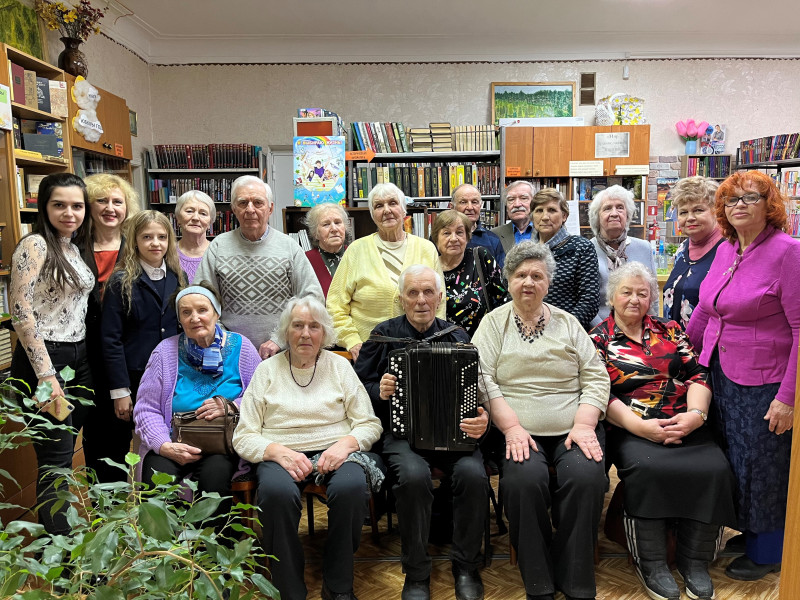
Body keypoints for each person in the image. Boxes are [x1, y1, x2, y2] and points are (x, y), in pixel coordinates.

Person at [471, 242, 609, 600]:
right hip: (517, 429)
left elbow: (596, 376)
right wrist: (512, 428)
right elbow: (482, 380)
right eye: (520, 275)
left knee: (586, 477)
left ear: (549, 282)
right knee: (523, 482)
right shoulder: (492, 324)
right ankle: (539, 579)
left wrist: (584, 424)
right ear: (509, 281)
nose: (528, 282)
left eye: (537, 275)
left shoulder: (568, 323)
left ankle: (575, 576)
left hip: (574, 427)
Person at [590, 262, 736, 600]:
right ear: (612, 297)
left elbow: (697, 374)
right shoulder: (597, 339)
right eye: (626, 292)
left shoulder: (669, 329)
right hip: (630, 425)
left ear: (651, 298)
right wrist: (641, 427)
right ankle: (652, 563)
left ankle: (694, 561)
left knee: (715, 469)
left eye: (643, 293)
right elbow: (600, 393)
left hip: (683, 419)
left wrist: (696, 416)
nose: (634, 299)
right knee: (649, 470)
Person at [687, 170, 800, 581]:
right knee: (736, 459)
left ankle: (769, 549)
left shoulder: (789, 252)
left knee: (763, 465)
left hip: (767, 380)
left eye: (750, 198)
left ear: (769, 206)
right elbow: (706, 309)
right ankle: (750, 532)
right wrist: (681, 354)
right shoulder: (727, 249)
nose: (739, 205)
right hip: (722, 372)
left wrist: (788, 398)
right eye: (731, 199)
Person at [233, 297, 383, 600]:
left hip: (337, 451)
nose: (305, 334)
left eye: (314, 326)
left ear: (324, 333)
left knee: (351, 488)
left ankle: (338, 586)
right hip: (281, 453)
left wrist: (345, 445)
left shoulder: (340, 366)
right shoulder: (266, 371)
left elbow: (369, 423)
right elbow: (244, 435)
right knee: (276, 494)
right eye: (297, 326)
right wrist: (277, 452)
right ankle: (289, 590)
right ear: (286, 331)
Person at [354, 265, 490, 600]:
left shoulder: (457, 336)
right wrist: (378, 391)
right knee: (413, 477)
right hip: (402, 435)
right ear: (401, 299)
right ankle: (416, 572)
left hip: (454, 433)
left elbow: (477, 392)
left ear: (440, 297)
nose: (421, 300)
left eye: (428, 292)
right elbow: (356, 388)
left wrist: (482, 418)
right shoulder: (383, 336)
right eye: (412, 293)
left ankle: (466, 566)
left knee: (474, 476)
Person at [134, 283, 260, 537]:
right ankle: (165, 552)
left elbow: (260, 397)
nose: (195, 318)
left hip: (221, 446)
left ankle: (213, 553)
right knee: (156, 480)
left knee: (216, 479)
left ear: (217, 312)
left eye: (202, 310)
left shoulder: (242, 347)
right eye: (186, 312)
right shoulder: (164, 351)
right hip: (173, 440)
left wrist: (231, 405)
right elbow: (146, 408)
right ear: (179, 319)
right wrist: (164, 445)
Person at [9, 173, 95, 535]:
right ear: (44, 206)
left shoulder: (72, 246)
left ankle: (65, 538)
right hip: (44, 362)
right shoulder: (35, 245)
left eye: (77, 206)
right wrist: (46, 374)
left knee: (68, 452)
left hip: (78, 356)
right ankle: (61, 553)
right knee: (56, 462)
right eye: (59, 205)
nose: (69, 213)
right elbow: (20, 310)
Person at [195, 175, 323, 359]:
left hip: (283, 352)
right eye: (243, 203)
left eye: (258, 202)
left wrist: (280, 339)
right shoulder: (218, 247)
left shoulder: (289, 247)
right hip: (229, 354)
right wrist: (224, 339)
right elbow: (201, 299)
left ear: (270, 208)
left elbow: (312, 297)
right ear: (234, 209)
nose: (250, 209)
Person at [101, 210, 187, 463]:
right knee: (129, 444)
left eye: (162, 237)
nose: (155, 243)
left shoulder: (178, 277)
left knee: (165, 439)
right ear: (135, 241)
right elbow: (111, 339)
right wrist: (120, 391)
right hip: (134, 375)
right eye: (147, 237)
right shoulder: (120, 281)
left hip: (171, 373)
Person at [327, 182, 444, 363]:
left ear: (404, 210)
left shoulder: (426, 249)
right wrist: (351, 340)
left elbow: (439, 303)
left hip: (419, 353)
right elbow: (335, 306)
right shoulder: (356, 250)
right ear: (372, 214)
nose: (387, 210)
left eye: (393, 203)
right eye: (379, 206)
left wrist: (434, 340)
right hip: (370, 355)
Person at [78, 173, 140, 483]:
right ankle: (104, 508)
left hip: (128, 358)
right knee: (99, 441)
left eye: (118, 201)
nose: (110, 208)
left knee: (129, 438)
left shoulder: (138, 247)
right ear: (89, 206)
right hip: (88, 358)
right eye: (101, 201)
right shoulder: (73, 247)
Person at [530, 188, 599, 330]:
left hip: (568, 332)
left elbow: (589, 302)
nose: (545, 217)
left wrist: (561, 330)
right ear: (532, 216)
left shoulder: (582, 248)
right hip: (528, 331)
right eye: (539, 210)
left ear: (564, 216)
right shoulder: (526, 251)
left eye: (552, 210)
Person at [589, 184, 657, 326]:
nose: (614, 213)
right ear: (597, 216)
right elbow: (585, 301)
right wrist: (604, 331)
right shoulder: (586, 250)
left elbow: (653, 298)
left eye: (620, 207)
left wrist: (650, 328)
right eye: (607, 208)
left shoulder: (644, 248)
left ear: (627, 214)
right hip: (598, 330)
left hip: (640, 330)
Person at [431, 209, 507, 336]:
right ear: (436, 238)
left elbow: (505, 299)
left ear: (467, 237)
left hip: (481, 342)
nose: (453, 238)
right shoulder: (429, 268)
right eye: (446, 233)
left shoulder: (481, 258)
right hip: (441, 344)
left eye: (459, 232)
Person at [662, 177, 723, 329]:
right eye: (683, 212)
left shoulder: (728, 250)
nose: (690, 218)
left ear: (716, 211)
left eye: (698, 210)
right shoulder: (682, 249)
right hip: (676, 340)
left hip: (709, 341)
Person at [449, 183, 505, 267]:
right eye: (463, 202)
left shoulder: (493, 240)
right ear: (452, 207)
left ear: (480, 206)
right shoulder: (441, 238)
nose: (470, 207)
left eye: (474, 202)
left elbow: (502, 273)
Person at [303, 202, 350, 298]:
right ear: (315, 233)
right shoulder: (305, 260)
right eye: (326, 224)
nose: (334, 229)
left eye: (337, 222)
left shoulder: (356, 255)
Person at [175, 189, 216, 283]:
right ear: (178, 218)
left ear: (210, 222)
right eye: (189, 211)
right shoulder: (167, 253)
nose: (196, 218)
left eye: (203, 213)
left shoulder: (217, 254)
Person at [491, 180, 535, 253]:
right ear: (507, 208)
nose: (517, 204)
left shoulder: (545, 231)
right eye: (511, 200)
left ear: (533, 203)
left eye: (523, 198)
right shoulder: (494, 235)